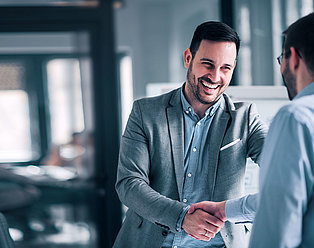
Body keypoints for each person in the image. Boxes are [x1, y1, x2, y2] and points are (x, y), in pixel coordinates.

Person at [189, 12, 314, 247]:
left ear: (294, 58)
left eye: (282, 59)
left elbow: (276, 224)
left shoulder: (297, 118)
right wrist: (225, 209)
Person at [113, 21, 268, 248]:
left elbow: (283, 170)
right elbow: (129, 184)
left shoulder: (246, 118)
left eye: (226, 68)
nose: (215, 76)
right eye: (207, 64)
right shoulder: (145, 113)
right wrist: (182, 217)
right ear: (188, 58)